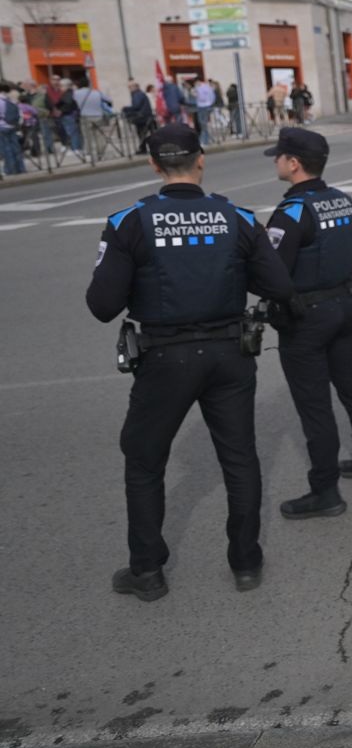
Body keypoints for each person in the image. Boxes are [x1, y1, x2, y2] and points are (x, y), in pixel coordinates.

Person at [85, 123, 297, 601]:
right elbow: (280, 286)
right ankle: (246, 562)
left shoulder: (128, 222)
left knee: (144, 460)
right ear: (201, 159)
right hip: (230, 354)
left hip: (164, 358)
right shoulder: (238, 217)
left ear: (153, 165)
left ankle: (147, 571)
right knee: (239, 457)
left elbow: (102, 305)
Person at [261, 128, 352, 519]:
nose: (276, 161)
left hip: (306, 318)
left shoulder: (292, 211)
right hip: (343, 306)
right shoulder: (344, 200)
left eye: (279, 156)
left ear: (294, 163)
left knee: (314, 405)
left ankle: (325, 491)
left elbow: (272, 275)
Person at [124, 81, 155, 153]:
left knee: (142, 133)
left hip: (143, 118)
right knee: (143, 134)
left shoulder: (137, 94)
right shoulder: (139, 94)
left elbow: (136, 106)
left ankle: (144, 149)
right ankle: (144, 148)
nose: (129, 89)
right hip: (145, 117)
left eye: (130, 87)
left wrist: (125, 109)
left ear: (135, 87)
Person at [0, 84, 24, 176]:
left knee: (6, 149)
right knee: (16, 148)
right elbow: (20, 114)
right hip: (13, 126)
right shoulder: (12, 101)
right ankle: (20, 168)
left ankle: (10, 170)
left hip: (2, 127)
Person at [194, 78, 216, 143]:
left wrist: (196, 95)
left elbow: (202, 97)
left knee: (203, 123)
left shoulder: (203, 87)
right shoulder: (203, 87)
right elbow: (212, 97)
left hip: (204, 106)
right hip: (203, 106)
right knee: (203, 123)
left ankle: (205, 140)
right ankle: (206, 139)